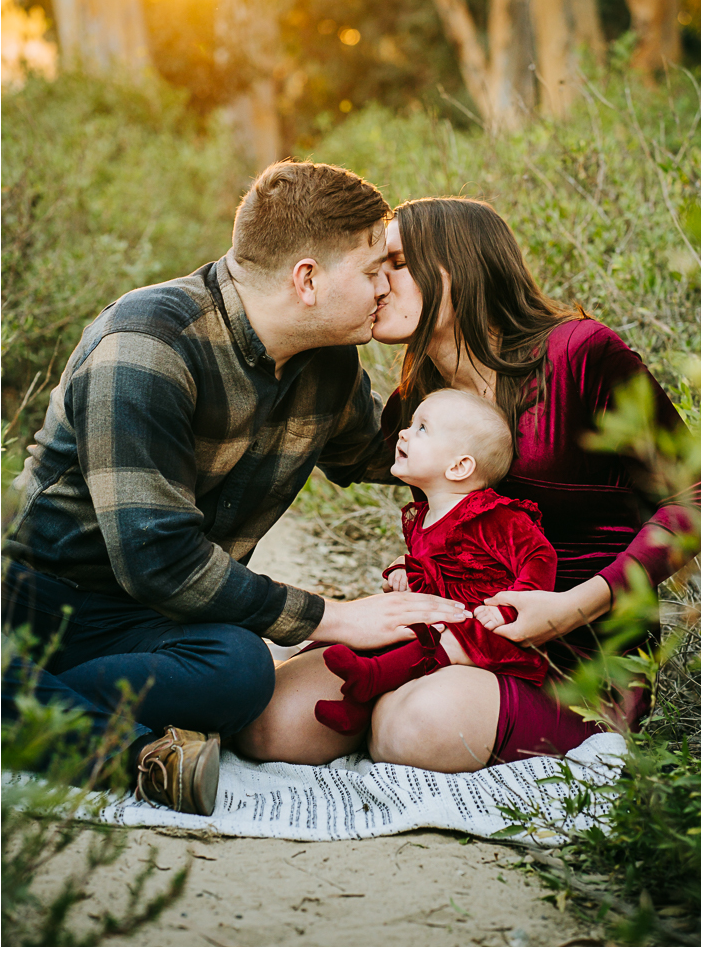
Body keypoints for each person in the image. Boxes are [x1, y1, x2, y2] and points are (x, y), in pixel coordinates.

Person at [1, 164, 475, 814]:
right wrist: (339, 618)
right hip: (36, 595)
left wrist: (450, 343)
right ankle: (136, 756)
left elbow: (385, 457)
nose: (385, 288)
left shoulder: (328, 362)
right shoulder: (146, 343)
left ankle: (23, 697)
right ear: (307, 279)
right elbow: (158, 561)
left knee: (242, 672)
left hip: (152, 621)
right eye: (372, 273)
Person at [237, 196, 700, 772]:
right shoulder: (416, 399)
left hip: (577, 651)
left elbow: (693, 495)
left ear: (457, 269)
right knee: (267, 727)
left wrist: (573, 607)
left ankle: (423, 709)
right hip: (451, 629)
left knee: (412, 728)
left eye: (398, 263)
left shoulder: (581, 355)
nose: (378, 283)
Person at [315, 388, 557, 738]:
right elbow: (432, 569)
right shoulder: (426, 516)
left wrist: (511, 608)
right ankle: (357, 709)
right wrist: (403, 570)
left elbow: (539, 556)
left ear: (459, 467)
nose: (404, 432)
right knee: (400, 634)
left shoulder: (491, 516)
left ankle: (370, 680)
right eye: (410, 424)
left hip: (489, 632)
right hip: (446, 618)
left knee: (438, 638)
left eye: (422, 429)